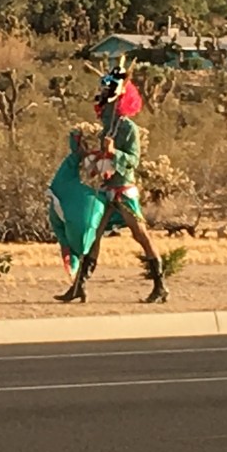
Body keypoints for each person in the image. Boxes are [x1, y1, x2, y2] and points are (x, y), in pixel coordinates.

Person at [56, 63, 169, 304]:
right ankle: (79, 286)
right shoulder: (108, 125)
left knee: (141, 235)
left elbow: (134, 161)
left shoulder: (128, 128)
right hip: (106, 189)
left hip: (123, 191)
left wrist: (114, 152)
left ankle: (160, 285)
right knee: (93, 235)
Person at [47, 123, 107, 278]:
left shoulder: (65, 179)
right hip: (87, 206)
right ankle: (76, 271)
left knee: (64, 234)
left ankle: (74, 267)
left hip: (68, 205)